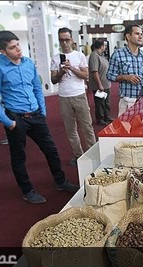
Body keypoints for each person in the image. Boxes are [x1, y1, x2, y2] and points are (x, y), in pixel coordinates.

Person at [0, 30, 79, 204]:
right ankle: (27, 190)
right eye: (12, 48)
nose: (18, 50)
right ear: (3, 52)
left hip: (36, 115)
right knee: (19, 156)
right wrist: (8, 122)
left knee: (51, 150)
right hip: (15, 118)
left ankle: (60, 181)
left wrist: (42, 111)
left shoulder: (28, 63)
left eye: (18, 45)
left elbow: (37, 88)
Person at [50, 27, 97, 167]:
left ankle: (93, 154)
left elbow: (86, 75)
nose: (64, 43)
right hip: (64, 97)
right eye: (61, 40)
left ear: (72, 40)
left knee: (87, 127)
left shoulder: (79, 56)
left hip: (79, 95)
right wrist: (61, 72)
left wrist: (71, 68)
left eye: (67, 39)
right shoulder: (55, 58)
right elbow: (53, 80)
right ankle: (78, 155)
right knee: (70, 129)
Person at [106, 24, 143, 116]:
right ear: (128, 36)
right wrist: (125, 77)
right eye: (137, 34)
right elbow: (110, 75)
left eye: (141, 34)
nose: (141, 36)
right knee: (126, 129)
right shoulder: (118, 54)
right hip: (128, 100)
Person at [88, 39, 113, 126]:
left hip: (105, 84)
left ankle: (107, 117)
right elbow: (95, 72)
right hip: (99, 85)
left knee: (106, 102)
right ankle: (100, 119)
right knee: (100, 103)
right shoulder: (94, 56)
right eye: (104, 45)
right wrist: (99, 85)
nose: (105, 47)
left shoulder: (101, 56)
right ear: (101, 46)